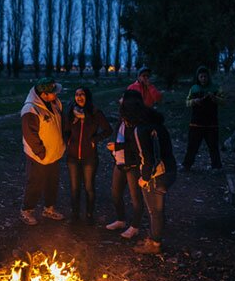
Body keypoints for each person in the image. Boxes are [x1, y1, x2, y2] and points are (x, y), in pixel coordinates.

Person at [120, 97, 177, 254]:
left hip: (157, 175)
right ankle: (154, 238)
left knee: (154, 211)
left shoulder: (140, 129)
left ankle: (154, 244)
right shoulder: (157, 124)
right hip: (170, 170)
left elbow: (147, 158)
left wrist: (144, 178)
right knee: (158, 211)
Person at [20, 77, 66, 225]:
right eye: (53, 92)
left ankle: (49, 209)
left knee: (52, 183)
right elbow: (30, 135)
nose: (56, 94)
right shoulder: (30, 109)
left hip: (55, 153)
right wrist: (40, 152)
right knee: (35, 183)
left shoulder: (55, 103)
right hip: (38, 156)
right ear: (43, 94)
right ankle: (27, 211)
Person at [63, 87, 112, 224]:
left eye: (82, 94)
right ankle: (75, 215)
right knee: (74, 188)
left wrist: (95, 140)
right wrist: (67, 141)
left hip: (89, 157)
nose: (79, 97)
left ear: (87, 97)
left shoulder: (95, 113)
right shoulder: (70, 113)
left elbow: (108, 129)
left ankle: (89, 215)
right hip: (72, 157)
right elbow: (66, 130)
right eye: (77, 94)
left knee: (89, 187)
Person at [105, 90, 145, 239]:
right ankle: (121, 220)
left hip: (133, 165)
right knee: (116, 194)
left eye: (123, 98)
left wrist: (118, 147)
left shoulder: (138, 123)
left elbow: (138, 145)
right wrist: (116, 147)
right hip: (120, 162)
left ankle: (135, 226)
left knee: (136, 198)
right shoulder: (123, 119)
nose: (120, 100)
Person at [182, 66, 225, 171]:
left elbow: (223, 101)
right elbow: (187, 102)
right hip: (196, 123)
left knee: (213, 146)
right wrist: (194, 101)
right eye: (201, 77)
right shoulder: (194, 88)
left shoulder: (216, 88)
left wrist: (215, 98)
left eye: (205, 76)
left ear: (208, 77)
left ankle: (216, 166)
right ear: (198, 77)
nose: (203, 79)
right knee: (192, 146)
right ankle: (186, 165)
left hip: (211, 123)